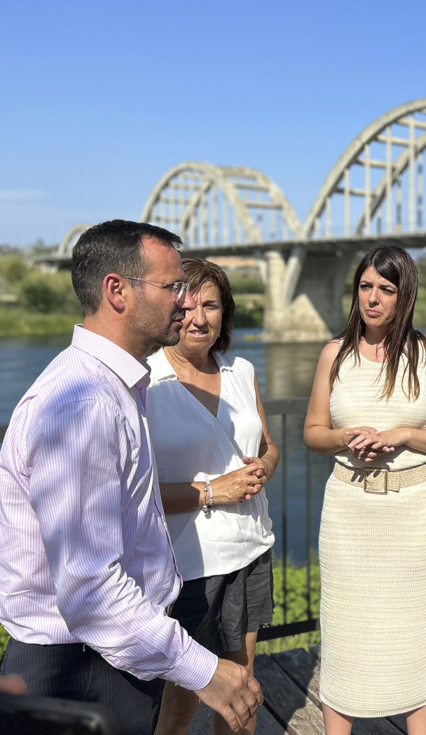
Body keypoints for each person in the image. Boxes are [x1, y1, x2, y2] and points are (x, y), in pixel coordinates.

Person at [0, 220, 262, 735]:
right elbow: (90, 590)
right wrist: (206, 672)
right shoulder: (84, 404)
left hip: (108, 654)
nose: (185, 302)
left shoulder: (113, 387)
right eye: (173, 287)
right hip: (79, 668)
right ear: (117, 290)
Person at [303, 246, 426, 735]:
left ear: (404, 295)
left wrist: (403, 433)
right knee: (343, 631)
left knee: (415, 634)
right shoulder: (334, 354)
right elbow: (313, 430)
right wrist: (345, 438)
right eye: (365, 287)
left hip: (413, 510)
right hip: (349, 511)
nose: (373, 299)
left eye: (386, 289)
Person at [145, 258, 278, 735]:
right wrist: (210, 492)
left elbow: (267, 445)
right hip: (186, 568)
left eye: (212, 305)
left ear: (225, 312)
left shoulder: (240, 369)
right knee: (178, 704)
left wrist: (262, 466)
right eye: (187, 304)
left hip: (249, 550)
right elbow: (127, 496)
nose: (199, 317)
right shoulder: (145, 381)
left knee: (241, 689)